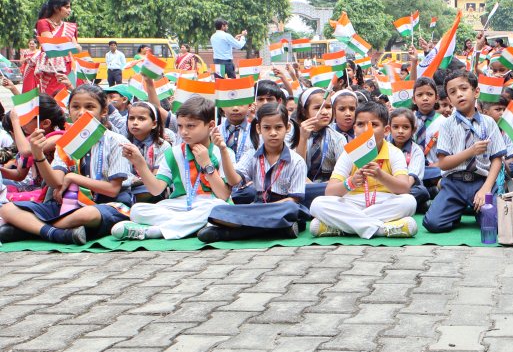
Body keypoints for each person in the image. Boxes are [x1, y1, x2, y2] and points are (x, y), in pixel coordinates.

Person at [0, 85, 133, 245]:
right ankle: (57, 233)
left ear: (103, 111)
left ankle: (32, 229)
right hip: (70, 204)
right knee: (7, 209)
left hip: (107, 204)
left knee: (87, 214)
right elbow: (55, 182)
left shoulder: (116, 141)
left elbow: (112, 190)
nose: (81, 112)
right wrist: (39, 155)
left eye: (89, 107)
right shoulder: (66, 143)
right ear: (69, 110)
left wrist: (73, 177)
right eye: (75, 107)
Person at [113, 96, 241, 240]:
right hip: (180, 204)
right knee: (137, 210)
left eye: (191, 126)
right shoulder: (173, 153)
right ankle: (193, 225)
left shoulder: (223, 152)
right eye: (180, 126)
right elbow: (156, 190)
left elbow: (223, 195)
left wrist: (207, 164)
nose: (184, 132)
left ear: (211, 125)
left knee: (217, 208)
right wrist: (140, 163)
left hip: (210, 202)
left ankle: (156, 231)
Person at [200, 103, 308, 242]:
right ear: (258, 128)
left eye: (278, 127)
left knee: (291, 208)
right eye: (267, 128)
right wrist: (223, 149)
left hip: (282, 208)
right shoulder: (252, 155)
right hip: (257, 207)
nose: (273, 133)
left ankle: (227, 234)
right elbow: (234, 181)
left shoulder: (297, 161)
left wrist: (264, 210)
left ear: (287, 128)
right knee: (217, 211)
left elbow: (294, 200)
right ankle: (279, 228)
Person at [310, 101, 418, 238]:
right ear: (354, 128)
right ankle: (382, 229)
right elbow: (330, 192)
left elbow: (404, 188)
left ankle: (343, 227)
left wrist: (381, 175)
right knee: (317, 204)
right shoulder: (349, 153)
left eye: (374, 125)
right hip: (353, 202)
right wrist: (351, 182)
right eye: (361, 124)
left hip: (384, 201)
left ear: (386, 130)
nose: (366, 130)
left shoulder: (394, 153)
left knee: (408, 202)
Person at [422, 70, 506, 233]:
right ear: (449, 99)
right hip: (454, 183)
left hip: (481, 181)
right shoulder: (446, 125)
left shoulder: (489, 122)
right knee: (433, 223)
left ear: (476, 92)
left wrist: (486, 188)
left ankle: (475, 208)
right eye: (453, 92)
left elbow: (497, 159)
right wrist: (471, 151)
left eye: (463, 88)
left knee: (495, 224)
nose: (459, 94)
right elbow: (444, 163)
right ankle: (457, 210)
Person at [34, 0, 79, 96]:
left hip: (67, 65)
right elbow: (51, 44)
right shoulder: (43, 23)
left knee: (65, 94)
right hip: (51, 66)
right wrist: (69, 46)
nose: (69, 10)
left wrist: (71, 46)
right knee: (51, 95)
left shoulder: (70, 26)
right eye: (67, 7)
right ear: (56, 8)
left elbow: (77, 48)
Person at [387, 107, 430, 213]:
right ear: (389, 129)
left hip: (406, 187)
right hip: (386, 186)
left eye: (405, 127)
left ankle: (388, 203)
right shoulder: (384, 146)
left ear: (413, 130)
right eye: (395, 127)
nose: (400, 131)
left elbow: (410, 180)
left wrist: (396, 191)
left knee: (422, 191)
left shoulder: (416, 150)